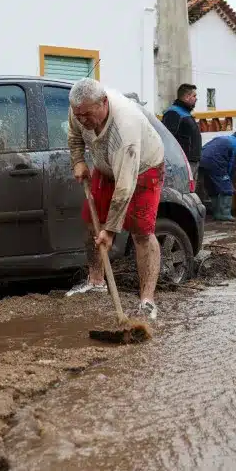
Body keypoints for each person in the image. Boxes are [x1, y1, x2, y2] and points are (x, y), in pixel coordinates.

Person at [64, 78, 166, 321]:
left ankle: (147, 301)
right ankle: (97, 281)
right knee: (91, 222)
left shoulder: (125, 127)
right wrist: (78, 161)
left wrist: (110, 231)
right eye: (79, 115)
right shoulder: (78, 109)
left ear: (104, 103)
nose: (82, 120)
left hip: (143, 169)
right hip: (106, 165)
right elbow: (74, 136)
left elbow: (125, 187)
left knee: (141, 232)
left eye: (87, 114)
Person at [198, 131, 236, 221]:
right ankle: (225, 214)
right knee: (227, 189)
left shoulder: (223, 138)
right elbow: (233, 165)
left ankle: (216, 213)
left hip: (201, 160)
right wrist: (229, 179)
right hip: (215, 162)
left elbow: (205, 147)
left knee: (212, 187)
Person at [161, 84, 202, 198]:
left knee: (190, 192)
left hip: (192, 161)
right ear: (187, 97)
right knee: (182, 192)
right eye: (194, 96)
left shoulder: (185, 113)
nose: (196, 99)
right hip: (182, 163)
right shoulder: (173, 113)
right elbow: (167, 137)